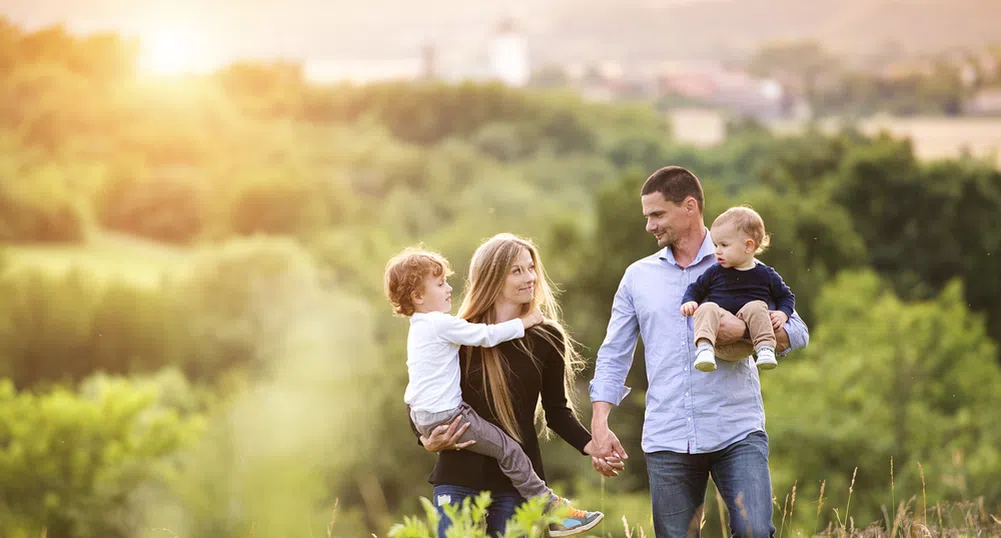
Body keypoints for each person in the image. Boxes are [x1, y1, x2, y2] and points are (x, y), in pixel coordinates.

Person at [588, 166, 810, 538]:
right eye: (647, 216)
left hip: (736, 429)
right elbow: (613, 354)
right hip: (667, 435)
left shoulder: (742, 260)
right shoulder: (637, 277)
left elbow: (798, 332)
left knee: (756, 533)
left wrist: (743, 331)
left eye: (657, 214)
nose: (649, 226)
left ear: (689, 207)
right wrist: (599, 423)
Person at [406, 234, 607, 537]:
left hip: (517, 485)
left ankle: (555, 509)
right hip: (459, 476)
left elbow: (557, 412)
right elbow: (420, 396)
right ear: (492, 277)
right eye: (517, 270)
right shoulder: (460, 333)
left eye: (531, 268)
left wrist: (594, 446)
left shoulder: (547, 337)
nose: (530, 278)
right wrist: (426, 441)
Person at [680, 206, 795, 372]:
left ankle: (765, 349)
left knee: (756, 306)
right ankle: (704, 349)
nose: (717, 251)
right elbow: (696, 288)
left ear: (748, 246)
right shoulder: (715, 271)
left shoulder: (766, 274)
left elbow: (786, 296)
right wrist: (689, 301)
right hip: (719, 341)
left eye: (724, 245)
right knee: (707, 307)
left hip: (749, 344)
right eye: (715, 245)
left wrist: (783, 313)